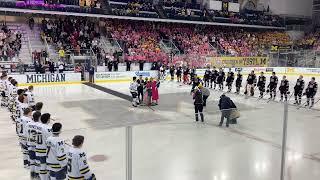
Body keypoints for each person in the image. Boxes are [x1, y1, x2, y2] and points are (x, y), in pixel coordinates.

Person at [36, 113, 52, 180]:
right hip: (45, 150)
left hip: (38, 148)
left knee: (42, 166)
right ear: (48, 119)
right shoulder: (48, 128)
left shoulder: (37, 126)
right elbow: (51, 140)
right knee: (45, 167)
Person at [26, 111, 42, 179]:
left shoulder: (28, 124)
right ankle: (37, 175)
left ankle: (32, 175)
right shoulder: (39, 126)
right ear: (39, 117)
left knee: (32, 160)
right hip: (37, 146)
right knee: (38, 162)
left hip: (30, 144)